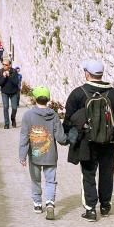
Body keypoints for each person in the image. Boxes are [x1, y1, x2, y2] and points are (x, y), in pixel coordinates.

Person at [64, 58, 114, 222]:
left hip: (87, 142)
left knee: (88, 174)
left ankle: (90, 209)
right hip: (109, 142)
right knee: (107, 173)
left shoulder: (78, 93)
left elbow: (69, 120)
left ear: (87, 73)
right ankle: (106, 206)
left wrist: (71, 139)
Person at [19, 85, 67, 219]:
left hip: (34, 155)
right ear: (49, 99)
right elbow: (60, 137)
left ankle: (37, 204)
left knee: (35, 180)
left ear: (34, 98)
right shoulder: (54, 115)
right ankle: (50, 202)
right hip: (50, 154)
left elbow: (24, 137)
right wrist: (68, 139)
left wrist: (22, 155)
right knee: (51, 180)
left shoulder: (27, 115)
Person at [0, 57, 21, 128]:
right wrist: (4, 77)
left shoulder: (14, 71)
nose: (4, 66)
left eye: (6, 65)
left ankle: (13, 118)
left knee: (14, 108)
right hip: (5, 92)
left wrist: (9, 76)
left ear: (10, 65)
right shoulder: (1, 71)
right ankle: (7, 123)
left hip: (13, 92)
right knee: (5, 107)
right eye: (3, 64)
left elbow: (16, 82)